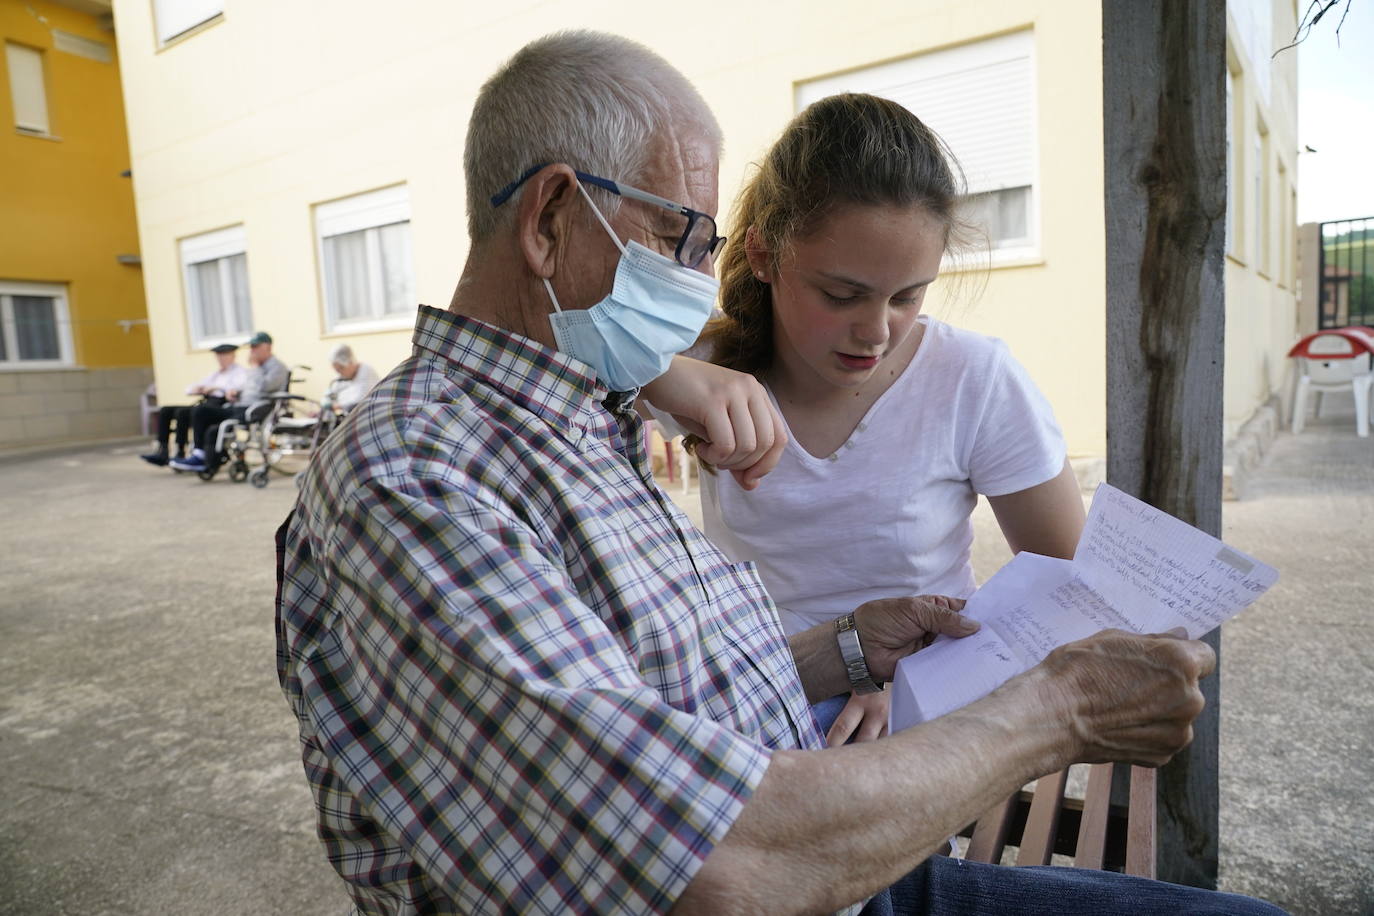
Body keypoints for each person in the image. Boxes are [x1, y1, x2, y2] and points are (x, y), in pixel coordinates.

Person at [274, 31, 1283, 916]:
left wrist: (850, 646)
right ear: (548, 220)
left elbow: (644, 697)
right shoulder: (414, 478)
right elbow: (715, 870)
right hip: (798, 865)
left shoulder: (575, 423)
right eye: (685, 236)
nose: (698, 274)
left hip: (835, 854)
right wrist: (1055, 709)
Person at [640, 94, 1087, 745]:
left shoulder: (973, 379)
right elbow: (529, 375)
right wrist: (664, 373)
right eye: (841, 295)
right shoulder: (710, 366)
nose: (876, 332)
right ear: (764, 257)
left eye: (908, 296)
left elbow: (1063, 584)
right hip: (755, 695)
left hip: (915, 712)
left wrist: (923, 676)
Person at [169, 331, 289, 474]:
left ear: (267, 347)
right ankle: (203, 458)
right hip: (239, 406)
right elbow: (248, 388)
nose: (252, 350)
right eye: (251, 347)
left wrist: (255, 368)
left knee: (203, 412)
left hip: (256, 409)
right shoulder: (254, 368)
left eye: (255, 347)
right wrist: (236, 392)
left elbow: (264, 387)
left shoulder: (278, 367)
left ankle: (201, 457)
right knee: (203, 414)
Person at [139, 342, 248, 467]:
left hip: (220, 405)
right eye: (218, 356)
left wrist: (214, 388)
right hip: (207, 403)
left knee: (188, 412)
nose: (221, 359)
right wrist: (200, 388)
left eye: (224, 355)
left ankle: (192, 453)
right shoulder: (216, 374)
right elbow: (189, 389)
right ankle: (163, 450)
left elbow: (238, 388)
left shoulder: (239, 372)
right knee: (166, 410)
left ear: (232, 356)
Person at [318, 343, 379, 413]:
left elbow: (359, 401)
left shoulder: (366, 372)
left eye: (341, 368)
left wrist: (337, 406)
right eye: (337, 370)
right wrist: (326, 400)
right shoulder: (343, 377)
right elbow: (332, 392)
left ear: (350, 362)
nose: (339, 373)